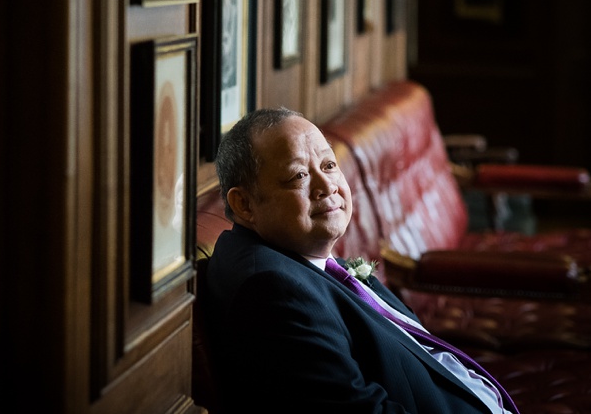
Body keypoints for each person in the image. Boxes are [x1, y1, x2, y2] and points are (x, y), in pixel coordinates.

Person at [206, 107, 518, 413]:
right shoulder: (272, 290)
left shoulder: (294, 253)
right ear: (244, 204)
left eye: (329, 166)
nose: (326, 186)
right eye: (299, 175)